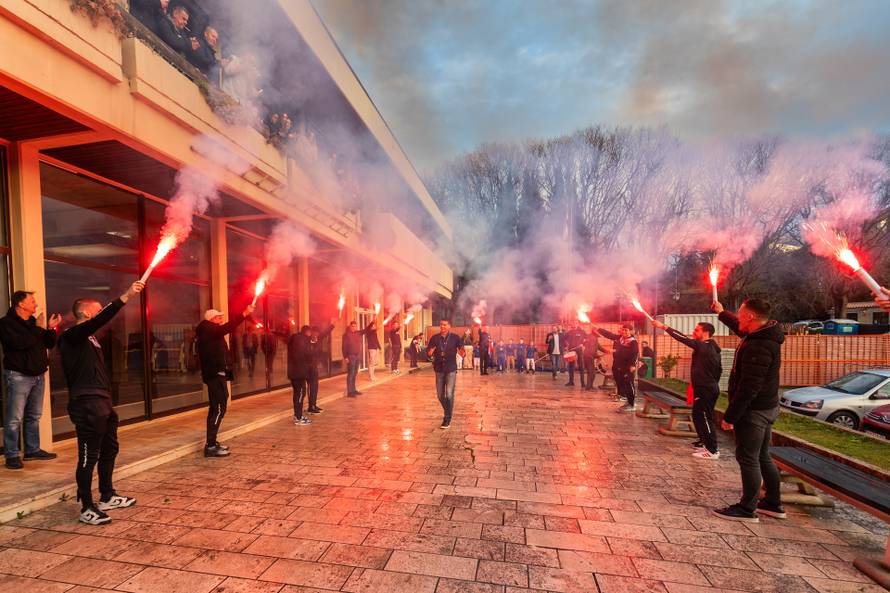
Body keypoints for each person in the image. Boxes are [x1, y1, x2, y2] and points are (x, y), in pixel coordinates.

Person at [59, 281, 144, 525]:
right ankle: (87, 506)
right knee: (88, 456)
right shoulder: (72, 336)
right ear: (86, 312)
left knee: (110, 449)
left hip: (102, 401)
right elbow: (100, 319)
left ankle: (107, 495)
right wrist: (126, 296)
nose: (100, 314)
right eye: (97, 310)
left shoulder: (91, 339)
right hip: (86, 403)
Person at [711, 299, 785, 523]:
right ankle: (772, 503)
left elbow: (749, 387)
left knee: (748, 457)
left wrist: (731, 416)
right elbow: (739, 327)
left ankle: (747, 508)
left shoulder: (759, 346)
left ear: (751, 317)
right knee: (762, 455)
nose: (739, 318)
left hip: (754, 412)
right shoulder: (761, 335)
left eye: (741, 315)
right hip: (767, 407)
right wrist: (722, 313)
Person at [0, 291, 61, 469]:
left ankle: (32, 450)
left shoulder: (34, 323)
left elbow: (48, 344)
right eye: (32, 301)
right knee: (14, 417)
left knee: (34, 415)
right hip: (18, 375)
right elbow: (20, 343)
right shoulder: (6, 323)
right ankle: (11, 455)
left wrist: (50, 329)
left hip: (38, 375)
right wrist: (40, 328)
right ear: (20, 304)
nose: (35, 305)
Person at [653, 319, 723, 459]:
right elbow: (718, 370)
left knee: (704, 417)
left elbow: (683, 339)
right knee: (698, 416)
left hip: (706, 389)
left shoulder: (706, 346)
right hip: (704, 387)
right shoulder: (707, 347)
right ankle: (704, 442)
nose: (693, 332)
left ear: (706, 333)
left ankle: (712, 450)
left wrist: (664, 327)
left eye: (697, 330)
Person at [196, 304, 254, 458]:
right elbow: (228, 327)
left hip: (217, 375)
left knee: (218, 408)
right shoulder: (209, 329)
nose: (221, 319)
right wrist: (244, 314)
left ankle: (212, 442)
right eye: (218, 316)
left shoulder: (211, 332)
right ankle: (210, 445)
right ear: (211, 319)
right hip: (214, 375)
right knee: (219, 408)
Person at [426, 320, 466, 429]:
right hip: (439, 369)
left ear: (449, 326)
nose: (442, 326)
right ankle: (448, 411)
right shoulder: (435, 338)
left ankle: (447, 418)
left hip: (451, 369)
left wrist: (462, 352)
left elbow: (462, 352)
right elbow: (428, 353)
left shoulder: (455, 338)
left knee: (449, 395)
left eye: (445, 325)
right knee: (440, 395)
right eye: (441, 325)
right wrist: (430, 353)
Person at [592, 323, 639, 412]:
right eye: (623, 330)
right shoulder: (619, 338)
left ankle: (631, 404)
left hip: (627, 367)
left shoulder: (633, 342)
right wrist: (598, 329)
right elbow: (609, 334)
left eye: (626, 330)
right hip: (617, 365)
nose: (624, 332)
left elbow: (635, 354)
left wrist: (633, 365)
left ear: (631, 331)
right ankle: (625, 399)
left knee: (629, 384)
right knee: (620, 382)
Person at [287, 325, 313, 425]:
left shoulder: (294, 338)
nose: (310, 335)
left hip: (294, 372)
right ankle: (298, 417)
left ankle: (297, 415)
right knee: (301, 394)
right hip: (299, 372)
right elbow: (307, 355)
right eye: (310, 333)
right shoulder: (303, 341)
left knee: (297, 394)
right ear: (307, 332)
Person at [306, 323, 335, 414]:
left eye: (317, 334)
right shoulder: (307, 342)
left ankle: (314, 404)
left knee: (315, 387)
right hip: (308, 368)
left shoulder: (319, 339)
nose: (316, 335)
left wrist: (333, 324)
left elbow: (326, 331)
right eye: (314, 333)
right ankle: (310, 407)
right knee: (311, 387)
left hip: (315, 367)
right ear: (311, 333)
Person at [342, 321, 363, 396]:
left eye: (355, 326)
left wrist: (372, 323)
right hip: (351, 356)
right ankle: (349, 392)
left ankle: (353, 390)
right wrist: (345, 357)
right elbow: (344, 347)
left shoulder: (357, 333)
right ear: (350, 327)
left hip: (357, 356)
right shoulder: (346, 335)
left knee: (355, 373)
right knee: (351, 373)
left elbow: (366, 330)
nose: (354, 327)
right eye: (352, 326)